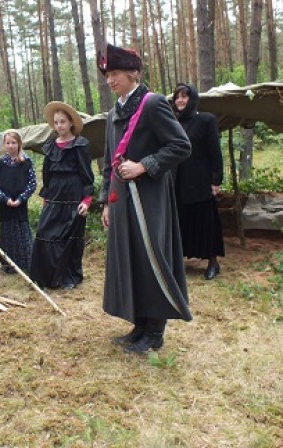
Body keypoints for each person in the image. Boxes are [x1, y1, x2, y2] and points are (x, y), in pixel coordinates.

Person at [96, 44, 192, 354]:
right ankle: (139, 324)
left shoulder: (152, 105)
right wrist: (107, 201)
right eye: (107, 75)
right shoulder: (113, 114)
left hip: (150, 198)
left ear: (133, 73)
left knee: (152, 258)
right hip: (122, 200)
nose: (110, 80)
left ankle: (156, 331)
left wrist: (144, 165)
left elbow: (181, 145)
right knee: (131, 259)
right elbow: (110, 162)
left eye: (115, 74)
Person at [30, 102, 94, 289]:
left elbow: (87, 175)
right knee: (44, 233)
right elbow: (47, 175)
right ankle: (47, 277)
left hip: (74, 195)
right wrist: (46, 198)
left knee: (70, 237)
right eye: (56, 122)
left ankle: (69, 278)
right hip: (55, 195)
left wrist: (87, 200)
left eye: (63, 122)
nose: (59, 126)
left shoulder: (80, 145)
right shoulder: (50, 147)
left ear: (71, 123)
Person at [172, 83, 225, 280]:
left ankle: (213, 262)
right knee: (181, 221)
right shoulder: (173, 122)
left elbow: (215, 152)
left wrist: (216, 180)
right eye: (177, 97)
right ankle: (179, 261)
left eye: (185, 96)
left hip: (200, 181)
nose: (180, 100)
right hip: (177, 182)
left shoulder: (206, 120)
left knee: (205, 221)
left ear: (193, 98)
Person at [0, 130, 37, 273]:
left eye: (13, 143)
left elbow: (32, 183)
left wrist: (21, 198)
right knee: (7, 233)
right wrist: (5, 199)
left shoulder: (26, 162)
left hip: (20, 204)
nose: (11, 146)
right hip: (5, 205)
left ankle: (25, 264)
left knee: (22, 232)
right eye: (8, 143)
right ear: (4, 145)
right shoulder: (1, 163)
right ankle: (8, 265)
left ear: (19, 144)